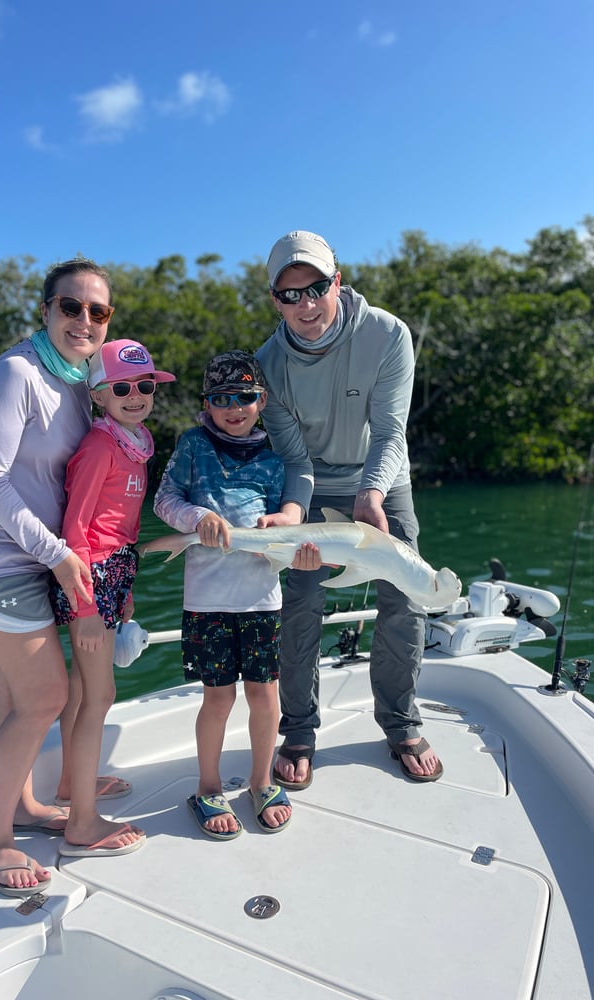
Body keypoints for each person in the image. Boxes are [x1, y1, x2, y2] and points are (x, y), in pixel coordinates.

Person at [0, 258, 117, 896]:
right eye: (70, 307)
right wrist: (57, 554)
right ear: (44, 310)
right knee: (48, 696)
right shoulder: (14, 374)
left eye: (96, 311)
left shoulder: (76, 381)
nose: (83, 320)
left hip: (35, 561)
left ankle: (19, 806)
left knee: (17, 694)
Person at [256, 230, 443, 786]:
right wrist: (293, 512)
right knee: (301, 601)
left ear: (337, 281)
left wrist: (371, 494)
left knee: (405, 597)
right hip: (311, 490)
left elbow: (390, 433)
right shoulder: (269, 364)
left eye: (316, 288)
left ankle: (401, 720)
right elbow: (295, 459)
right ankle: (299, 729)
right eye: (291, 295)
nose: (306, 305)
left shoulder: (387, 334)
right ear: (276, 300)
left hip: (381, 482)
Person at [153, 351, 294, 838]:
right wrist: (198, 518)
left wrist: (286, 545)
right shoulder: (193, 445)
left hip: (262, 600)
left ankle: (260, 781)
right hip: (207, 603)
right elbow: (164, 500)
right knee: (217, 700)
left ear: (262, 400)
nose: (235, 407)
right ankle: (208, 787)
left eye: (246, 396)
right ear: (206, 404)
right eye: (221, 398)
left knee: (265, 697)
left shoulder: (275, 461)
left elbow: (283, 529)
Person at [50, 339, 175, 857]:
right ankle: (80, 822)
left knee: (83, 690)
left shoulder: (136, 440)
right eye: (121, 388)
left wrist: (124, 592)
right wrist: (84, 608)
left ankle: (68, 785)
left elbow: (121, 528)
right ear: (98, 395)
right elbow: (75, 528)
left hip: (114, 573)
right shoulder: (100, 446)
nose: (135, 395)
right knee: (98, 697)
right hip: (88, 577)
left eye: (144, 386)